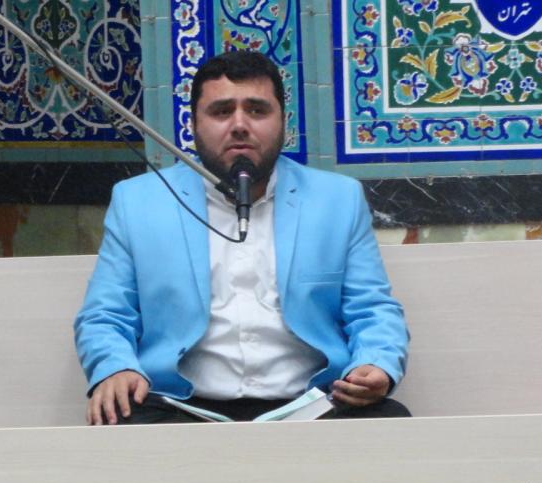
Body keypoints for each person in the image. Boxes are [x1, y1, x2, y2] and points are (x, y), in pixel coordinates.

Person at [74, 50, 409, 425]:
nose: (239, 125)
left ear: (283, 121)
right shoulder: (137, 201)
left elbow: (372, 309)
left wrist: (376, 363)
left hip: (313, 404)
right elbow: (105, 315)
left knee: (389, 422)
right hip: (179, 406)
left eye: (257, 110)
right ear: (193, 124)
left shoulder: (338, 199)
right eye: (221, 112)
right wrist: (115, 367)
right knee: (117, 422)